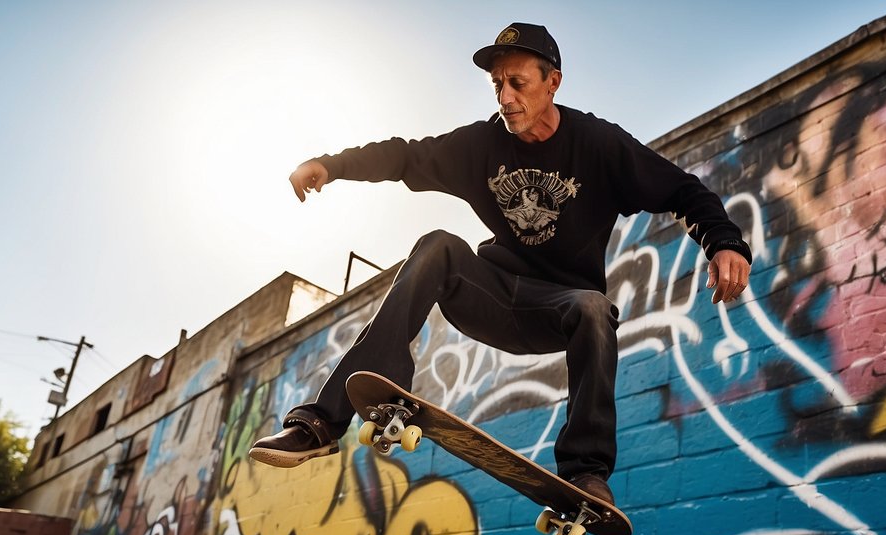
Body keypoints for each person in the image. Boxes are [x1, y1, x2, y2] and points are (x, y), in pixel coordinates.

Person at [249, 22, 752, 507]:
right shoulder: (481, 145)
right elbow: (404, 157)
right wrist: (331, 166)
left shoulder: (598, 145)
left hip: (555, 309)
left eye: (518, 83)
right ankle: (320, 424)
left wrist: (724, 242)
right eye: (497, 85)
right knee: (439, 245)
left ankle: (586, 472)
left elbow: (683, 188)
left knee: (596, 308)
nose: (506, 98)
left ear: (553, 81)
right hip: (488, 297)